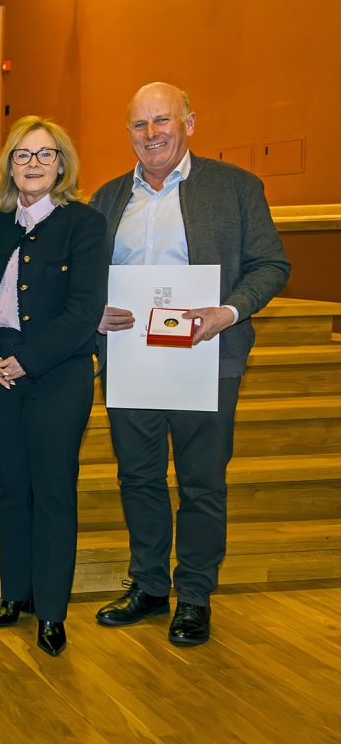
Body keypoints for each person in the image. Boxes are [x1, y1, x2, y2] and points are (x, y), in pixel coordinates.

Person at [91, 83, 290, 645]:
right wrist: (93, 313)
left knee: (202, 481)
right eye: (139, 125)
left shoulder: (236, 189)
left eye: (162, 121)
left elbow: (272, 265)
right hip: (130, 360)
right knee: (139, 477)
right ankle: (150, 586)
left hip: (207, 358)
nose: (151, 134)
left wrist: (230, 311)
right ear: (128, 132)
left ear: (189, 123)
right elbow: (82, 279)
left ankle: (195, 596)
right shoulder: (106, 200)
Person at [0, 116, 107, 656]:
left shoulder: (85, 225)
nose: (33, 164)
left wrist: (24, 361)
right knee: (10, 486)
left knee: (51, 490)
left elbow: (83, 311)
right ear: (7, 165)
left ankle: (51, 610)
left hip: (58, 372)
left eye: (45, 155)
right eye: (23, 155)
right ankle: (14, 595)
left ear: (62, 164)